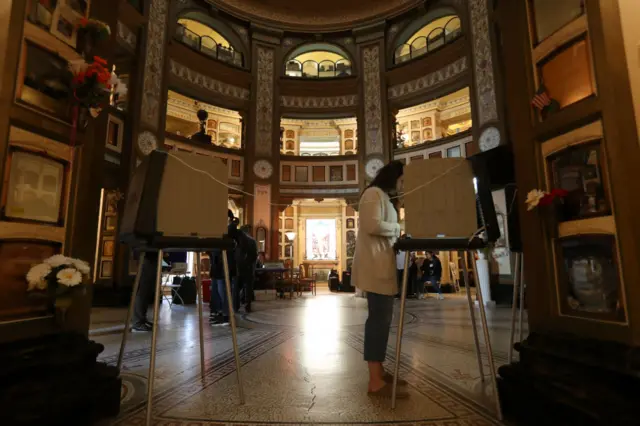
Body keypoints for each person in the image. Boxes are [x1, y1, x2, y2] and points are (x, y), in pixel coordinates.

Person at [352, 160, 409, 398]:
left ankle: (380, 371)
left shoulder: (383, 196)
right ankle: (375, 381)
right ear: (392, 177)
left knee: (383, 320)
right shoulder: (373, 193)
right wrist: (397, 228)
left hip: (381, 263)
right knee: (378, 321)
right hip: (374, 266)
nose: (403, 186)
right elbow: (371, 225)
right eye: (402, 181)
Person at [209, 216, 239, 325]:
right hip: (217, 267)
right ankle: (219, 313)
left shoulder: (231, 231)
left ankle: (226, 315)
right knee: (216, 291)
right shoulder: (221, 232)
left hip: (223, 267)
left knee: (223, 292)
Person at [235, 225, 258, 313]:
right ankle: (247, 306)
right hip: (248, 268)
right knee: (248, 288)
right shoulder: (252, 241)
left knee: (237, 287)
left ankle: (236, 306)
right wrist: (249, 264)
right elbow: (255, 255)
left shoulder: (237, 241)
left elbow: (235, 255)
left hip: (238, 268)